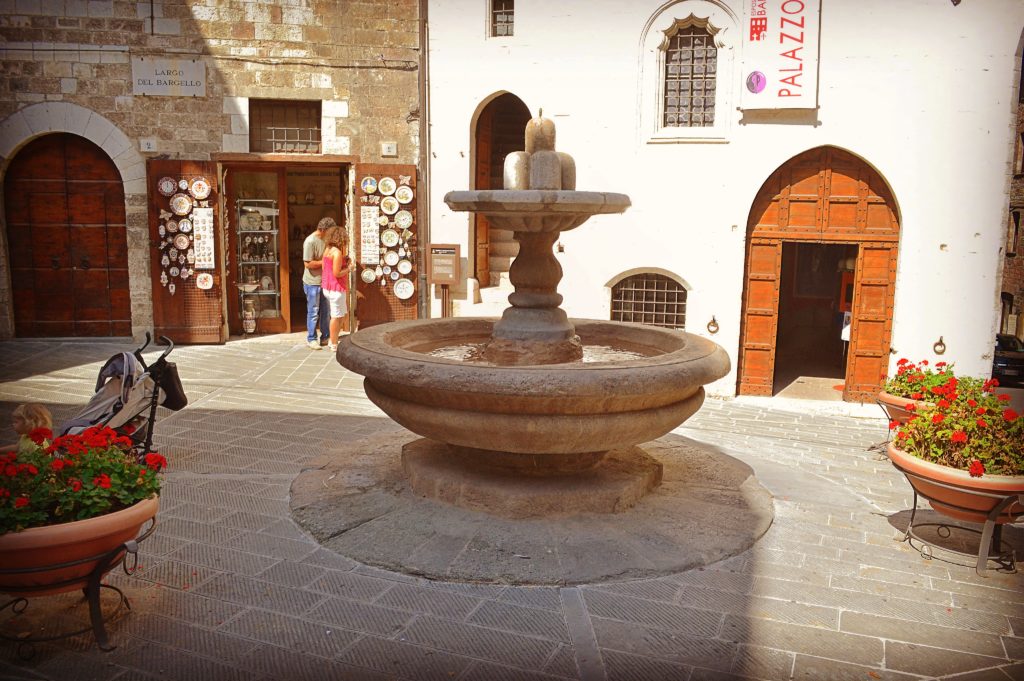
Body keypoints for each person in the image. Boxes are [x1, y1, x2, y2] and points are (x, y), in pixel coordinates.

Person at [302, 217, 334, 349]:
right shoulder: (310, 241)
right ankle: (311, 338)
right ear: (323, 230)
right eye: (330, 231)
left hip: (325, 281)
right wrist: (326, 262)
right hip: (312, 282)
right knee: (313, 311)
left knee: (326, 311)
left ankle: (325, 336)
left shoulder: (326, 240)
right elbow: (307, 264)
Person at [321, 225, 353, 352]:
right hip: (336, 288)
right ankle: (333, 343)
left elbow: (325, 268)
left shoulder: (327, 249)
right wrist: (349, 269)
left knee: (339, 315)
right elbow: (337, 273)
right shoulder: (337, 252)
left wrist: (344, 261)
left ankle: (332, 340)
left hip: (327, 287)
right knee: (336, 316)